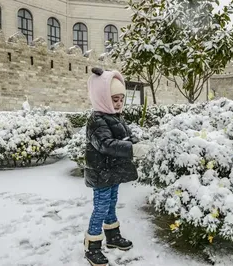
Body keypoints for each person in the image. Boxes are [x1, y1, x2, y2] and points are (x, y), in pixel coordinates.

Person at [83, 67, 149, 266]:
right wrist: (132, 149)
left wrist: (136, 142)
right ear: (101, 97)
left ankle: (112, 237)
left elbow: (124, 136)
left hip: (112, 171)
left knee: (111, 203)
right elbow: (105, 144)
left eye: (121, 99)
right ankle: (91, 245)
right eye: (114, 99)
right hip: (101, 172)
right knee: (101, 207)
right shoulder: (96, 120)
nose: (119, 104)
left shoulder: (114, 116)